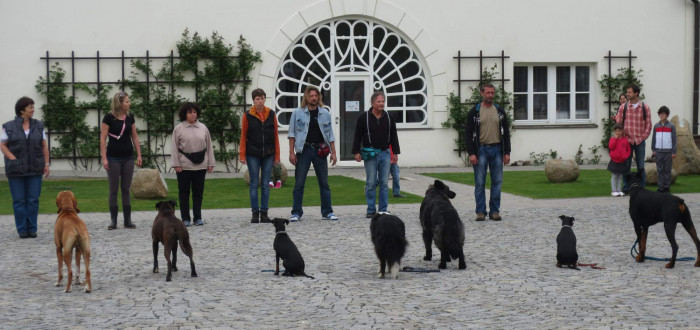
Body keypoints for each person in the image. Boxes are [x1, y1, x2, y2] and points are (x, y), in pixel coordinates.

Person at [1, 97, 50, 238]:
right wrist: (11, 157)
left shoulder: (38, 125)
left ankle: (32, 228)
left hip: (35, 168)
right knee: (19, 200)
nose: (33, 110)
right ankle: (22, 229)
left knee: (33, 199)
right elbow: (3, 144)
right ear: (22, 109)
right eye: (30, 107)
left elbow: (44, 145)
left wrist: (46, 164)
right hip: (16, 169)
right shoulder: (8, 126)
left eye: (33, 107)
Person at [288, 86, 338, 222]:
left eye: (316, 96)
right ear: (306, 97)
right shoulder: (297, 113)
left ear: (319, 97)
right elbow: (292, 134)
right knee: (299, 182)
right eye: (311, 96)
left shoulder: (325, 113)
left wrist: (333, 153)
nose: (314, 98)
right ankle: (296, 212)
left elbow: (330, 135)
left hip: (320, 150)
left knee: (324, 183)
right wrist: (291, 152)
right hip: (303, 150)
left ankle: (327, 211)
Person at [465, 83, 511, 221]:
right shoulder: (475, 111)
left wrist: (507, 152)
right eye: (488, 93)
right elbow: (468, 134)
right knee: (480, 182)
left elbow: (506, 133)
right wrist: (472, 153)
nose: (490, 95)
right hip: (481, 150)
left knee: (497, 181)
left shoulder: (499, 111)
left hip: (497, 149)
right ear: (482, 93)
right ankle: (480, 212)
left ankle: (494, 211)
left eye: (492, 93)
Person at [352, 91, 401, 218]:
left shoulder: (389, 117)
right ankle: (371, 209)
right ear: (372, 103)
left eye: (383, 101)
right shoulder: (364, 117)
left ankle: (383, 209)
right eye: (379, 101)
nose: (381, 104)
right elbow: (357, 135)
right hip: (370, 154)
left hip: (385, 153)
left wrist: (395, 152)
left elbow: (394, 136)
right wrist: (356, 151)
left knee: (384, 183)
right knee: (371, 182)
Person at [100, 91, 142, 230]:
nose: (129, 104)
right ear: (119, 103)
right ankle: (113, 220)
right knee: (113, 189)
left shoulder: (130, 118)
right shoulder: (108, 118)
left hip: (128, 156)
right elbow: (103, 138)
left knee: (126, 188)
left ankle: (127, 220)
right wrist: (104, 158)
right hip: (113, 157)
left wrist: (139, 154)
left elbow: (134, 136)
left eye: (129, 101)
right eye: (127, 102)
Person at [171, 102, 215, 227]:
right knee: (184, 193)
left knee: (198, 193)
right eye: (190, 112)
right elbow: (174, 147)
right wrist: (176, 164)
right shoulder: (179, 128)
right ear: (185, 114)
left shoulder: (203, 128)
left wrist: (210, 163)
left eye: (194, 112)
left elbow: (209, 146)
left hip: (200, 166)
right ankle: (185, 218)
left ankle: (197, 217)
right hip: (184, 166)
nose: (192, 114)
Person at [240, 88, 280, 223]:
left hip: (268, 153)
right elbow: (243, 135)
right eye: (257, 99)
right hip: (252, 153)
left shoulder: (271, 114)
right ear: (253, 100)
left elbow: (275, 135)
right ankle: (254, 213)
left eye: (262, 98)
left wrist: (277, 155)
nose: (260, 101)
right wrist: (242, 154)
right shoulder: (247, 115)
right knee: (253, 184)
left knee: (265, 184)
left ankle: (264, 213)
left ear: (265, 99)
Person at [615, 84, 652, 194]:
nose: (627, 94)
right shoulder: (623, 107)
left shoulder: (645, 107)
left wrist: (643, 137)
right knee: (626, 165)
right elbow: (619, 123)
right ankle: (626, 187)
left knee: (641, 165)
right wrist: (623, 138)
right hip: (627, 141)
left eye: (630, 92)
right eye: (627, 92)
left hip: (640, 141)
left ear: (636, 93)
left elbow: (648, 125)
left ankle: (641, 187)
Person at [651, 106, 676, 193]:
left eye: (663, 114)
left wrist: (673, 151)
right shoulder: (656, 126)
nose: (661, 115)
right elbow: (654, 138)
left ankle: (667, 187)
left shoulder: (671, 126)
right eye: (660, 114)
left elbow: (674, 139)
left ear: (667, 115)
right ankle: (660, 187)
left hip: (668, 151)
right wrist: (653, 149)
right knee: (660, 170)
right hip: (658, 151)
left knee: (667, 170)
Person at [607, 123, 631, 197]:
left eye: (619, 131)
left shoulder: (625, 140)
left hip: (622, 161)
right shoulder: (612, 139)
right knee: (614, 176)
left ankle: (619, 190)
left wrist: (625, 156)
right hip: (614, 161)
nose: (618, 132)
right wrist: (615, 139)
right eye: (616, 131)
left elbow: (628, 149)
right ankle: (614, 190)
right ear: (614, 131)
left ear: (622, 131)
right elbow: (611, 147)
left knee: (620, 176)